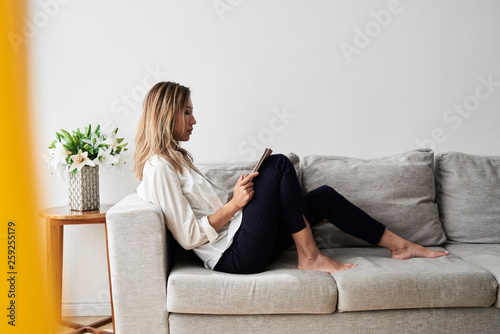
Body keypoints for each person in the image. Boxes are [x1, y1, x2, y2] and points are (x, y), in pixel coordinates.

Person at [134, 81, 449, 275]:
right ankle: (310, 257)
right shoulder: (159, 167)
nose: (194, 120)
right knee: (279, 164)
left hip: (241, 238)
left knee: (322, 196)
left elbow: (205, 212)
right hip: (234, 255)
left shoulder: (176, 160)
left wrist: (235, 197)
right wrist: (234, 206)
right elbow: (188, 236)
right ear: (166, 114)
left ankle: (401, 246)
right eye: (187, 112)